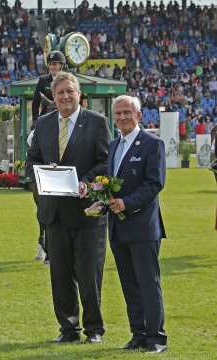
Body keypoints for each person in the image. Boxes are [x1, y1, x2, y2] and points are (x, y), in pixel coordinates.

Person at [26, 71, 110, 344]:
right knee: (60, 276)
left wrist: (87, 181)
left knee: (89, 275)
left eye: (69, 92)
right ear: (53, 96)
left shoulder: (97, 123)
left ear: (79, 94)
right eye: (60, 92)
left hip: (86, 213)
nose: (65, 97)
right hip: (55, 214)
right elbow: (33, 160)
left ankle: (94, 329)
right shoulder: (44, 123)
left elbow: (105, 162)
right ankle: (68, 329)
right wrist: (41, 183)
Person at [107, 95, 168, 353]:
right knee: (129, 283)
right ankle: (138, 334)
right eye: (118, 113)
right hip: (118, 227)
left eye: (127, 112)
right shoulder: (113, 145)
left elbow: (155, 183)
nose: (122, 117)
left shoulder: (153, 144)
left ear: (139, 115)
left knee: (148, 283)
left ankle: (156, 338)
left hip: (143, 226)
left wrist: (127, 203)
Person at [28, 50, 66, 263]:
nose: (53, 67)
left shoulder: (66, 81)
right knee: (31, 141)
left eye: (56, 64)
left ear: (61, 66)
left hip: (63, 118)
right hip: (44, 119)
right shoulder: (43, 81)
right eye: (51, 64)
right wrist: (35, 123)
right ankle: (32, 174)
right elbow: (35, 102)